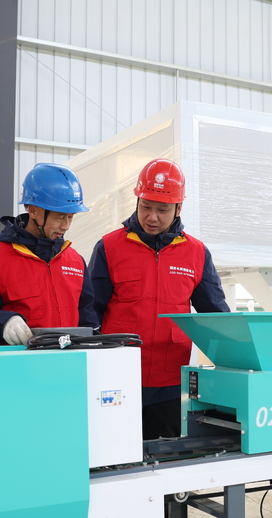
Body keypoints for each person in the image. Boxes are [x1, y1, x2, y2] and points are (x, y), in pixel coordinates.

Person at [90, 158, 229, 440]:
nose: (152, 217)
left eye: (162, 210)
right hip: (118, 375)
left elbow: (216, 316)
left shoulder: (196, 253)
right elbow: (90, 312)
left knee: (166, 456)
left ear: (178, 208)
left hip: (170, 382)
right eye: (146, 206)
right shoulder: (109, 247)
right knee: (114, 451)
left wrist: (236, 356)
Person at [0, 163, 99, 345]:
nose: (65, 226)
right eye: (59, 216)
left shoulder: (75, 261)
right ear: (33, 211)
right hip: (19, 361)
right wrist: (4, 322)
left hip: (69, 360)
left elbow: (88, 320)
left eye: (70, 217)